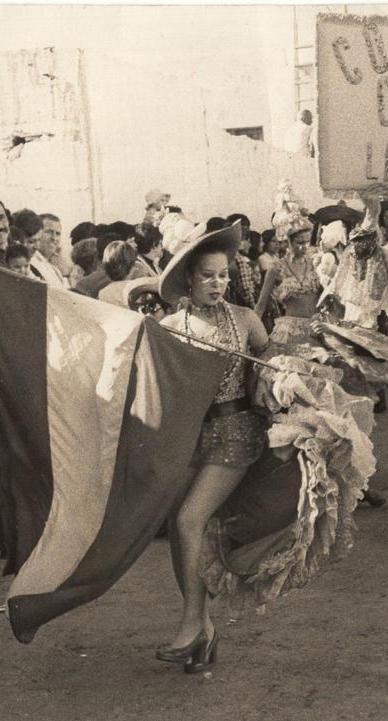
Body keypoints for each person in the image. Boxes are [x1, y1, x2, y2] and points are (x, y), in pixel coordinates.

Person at [155, 223, 268, 673]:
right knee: (181, 530)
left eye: (223, 275)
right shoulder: (167, 327)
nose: (218, 284)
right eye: (208, 276)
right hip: (189, 439)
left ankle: (191, 625)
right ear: (188, 279)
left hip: (238, 432)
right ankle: (203, 633)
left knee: (189, 520)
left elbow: (269, 367)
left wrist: (282, 377)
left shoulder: (245, 320)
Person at [254, 213, 320, 348]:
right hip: (289, 330)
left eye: (307, 242)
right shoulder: (276, 268)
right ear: (287, 242)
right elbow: (261, 305)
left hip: (315, 328)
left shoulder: (316, 263)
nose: (305, 247)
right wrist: (250, 333)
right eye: (300, 242)